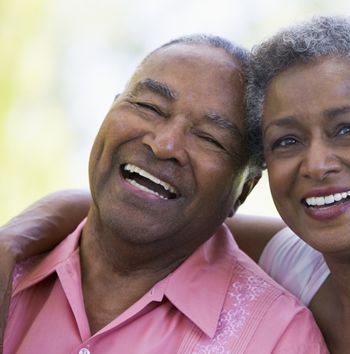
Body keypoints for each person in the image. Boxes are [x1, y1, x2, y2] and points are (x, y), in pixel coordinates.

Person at [2, 15, 350, 353]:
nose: (317, 164)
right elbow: (147, 212)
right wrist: (11, 243)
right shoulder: (294, 257)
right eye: (287, 141)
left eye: (348, 129)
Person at [0, 34, 328, 353]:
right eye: (149, 106)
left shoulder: (278, 340)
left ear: (243, 190)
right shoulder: (13, 269)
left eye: (211, 138)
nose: (164, 145)